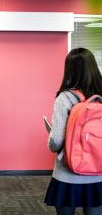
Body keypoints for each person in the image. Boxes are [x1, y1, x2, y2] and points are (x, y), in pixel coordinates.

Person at [44, 48, 102, 215]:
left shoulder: (65, 98)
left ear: (69, 69)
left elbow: (56, 142)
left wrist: (50, 137)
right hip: (99, 173)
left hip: (68, 173)